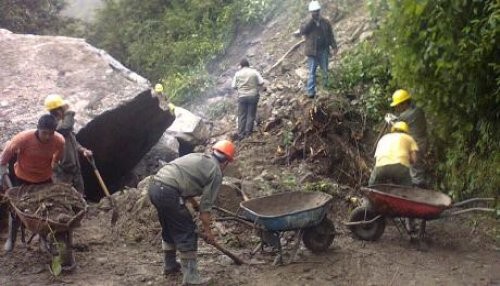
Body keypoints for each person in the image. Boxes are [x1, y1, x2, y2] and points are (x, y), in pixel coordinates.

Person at [148, 140, 235, 285]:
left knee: (169, 227)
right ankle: (191, 279)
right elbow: (205, 209)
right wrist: (208, 232)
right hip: (169, 192)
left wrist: (194, 204)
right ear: (226, 162)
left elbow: (184, 182)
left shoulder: (198, 157)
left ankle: (170, 266)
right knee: (187, 231)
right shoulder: (216, 172)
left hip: (155, 187)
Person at [0, 114, 65, 252]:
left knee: (44, 211)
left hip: (44, 179)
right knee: (16, 210)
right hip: (22, 178)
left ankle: (43, 239)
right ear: (38, 129)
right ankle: (11, 239)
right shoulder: (22, 139)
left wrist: (53, 168)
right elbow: (3, 160)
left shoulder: (59, 141)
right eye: (44, 133)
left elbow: (57, 158)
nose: (47, 137)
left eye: (51, 133)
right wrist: (5, 178)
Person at [44, 94, 93, 194]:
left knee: (80, 195)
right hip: (62, 172)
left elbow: (72, 141)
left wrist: (83, 150)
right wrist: (69, 112)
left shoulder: (63, 125)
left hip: (74, 168)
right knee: (67, 197)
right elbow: (65, 128)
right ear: (59, 111)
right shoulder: (53, 126)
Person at [298, 1, 337, 98]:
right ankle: (310, 92)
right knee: (312, 72)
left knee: (325, 71)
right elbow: (302, 31)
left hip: (323, 50)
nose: (316, 13)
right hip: (312, 52)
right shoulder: (306, 22)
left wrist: (334, 46)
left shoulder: (325, 22)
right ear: (311, 12)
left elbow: (330, 35)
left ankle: (326, 89)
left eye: (317, 11)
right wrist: (311, 21)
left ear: (320, 11)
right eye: (314, 11)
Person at [389, 89, 428, 187]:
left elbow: (397, 125)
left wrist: (390, 121)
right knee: (417, 165)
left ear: (404, 103)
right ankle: (419, 185)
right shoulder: (418, 110)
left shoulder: (405, 115)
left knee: (415, 166)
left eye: (398, 105)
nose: (397, 108)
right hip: (423, 141)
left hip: (415, 144)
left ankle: (418, 190)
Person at [369, 121, 418, 186]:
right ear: (406, 131)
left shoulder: (384, 137)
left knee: (373, 186)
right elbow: (413, 159)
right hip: (400, 166)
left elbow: (376, 157)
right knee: (406, 189)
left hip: (380, 166)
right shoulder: (409, 138)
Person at [231, 58, 264, 140]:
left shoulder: (237, 74)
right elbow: (261, 82)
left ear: (241, 65)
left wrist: (241, 88)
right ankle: (248, 133)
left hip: (242, 96)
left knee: (242, 115)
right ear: (248, 65)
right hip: (253, 96)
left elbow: (233, 86)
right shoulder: (254, 72)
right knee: (250, 115)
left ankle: (241, 134)